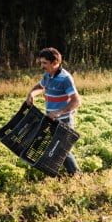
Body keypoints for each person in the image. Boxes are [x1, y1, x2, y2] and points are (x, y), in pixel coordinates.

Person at [26, 47, 81, 175]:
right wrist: (32, 94)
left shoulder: (65, 78)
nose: (42, 66)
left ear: (55, 62)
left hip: (64, 120)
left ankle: (77, 175)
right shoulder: (48, 75)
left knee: (62, 149)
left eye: (44, 63)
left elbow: (76, 101)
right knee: (57, 148)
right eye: (41, 62)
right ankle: (66, 174)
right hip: (51, 119)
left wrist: (58, 112)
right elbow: (40, 86)